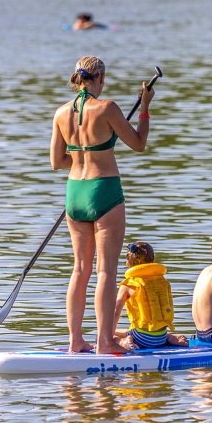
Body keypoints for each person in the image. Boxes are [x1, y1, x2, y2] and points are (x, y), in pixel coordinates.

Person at [50, 55, 154, 354]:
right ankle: (104, 342)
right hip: (104, 189)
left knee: (79, 269)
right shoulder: (107, 108)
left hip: (75, 192)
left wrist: (84, 154)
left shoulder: (60, 113)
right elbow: (138, 143)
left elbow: (57, 162)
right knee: (105, 271)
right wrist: (145, 106)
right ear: (100, 78)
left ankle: (75, 341)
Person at [112, 241, 188, 349]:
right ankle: (170, 337)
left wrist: (108, 336)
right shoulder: (162, 281)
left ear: (129, 263)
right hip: (160, 337)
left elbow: (115, 312)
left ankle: (124, 342)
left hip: (141, 339)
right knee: (131, 330)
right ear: (152, 260)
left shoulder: (128, 285)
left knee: (108, 335)